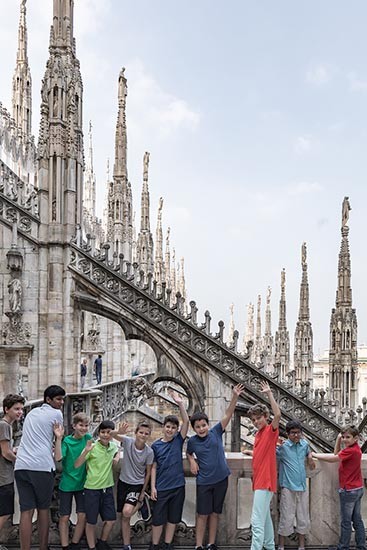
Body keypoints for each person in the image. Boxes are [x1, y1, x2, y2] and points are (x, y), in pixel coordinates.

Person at [187, 383, 244, 550]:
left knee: (215, 513)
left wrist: (235, 396)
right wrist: (191, 460)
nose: (201, 428)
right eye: (198, 427)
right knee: (202, 515)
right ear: (194, 429)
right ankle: (199, 545)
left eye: (203, 425)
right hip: (204, 482)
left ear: (207, 424)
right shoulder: (192, 441)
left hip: (221, 480)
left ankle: (211, 543)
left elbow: (228, 413)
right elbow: (189, 453)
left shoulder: (216, 431)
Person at [14, 385, 65, 550]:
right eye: (58, 399)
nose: (62, 403)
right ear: (48, 400)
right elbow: (57, 439)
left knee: (26, 511)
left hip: (21, 466)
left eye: (62, 399)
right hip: (41, 467)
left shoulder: (31, 412)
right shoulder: (56, 413)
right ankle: (43, 547)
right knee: (43, 510)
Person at [312, 426, 365, 550]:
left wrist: (315, 454)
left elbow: (333, 458)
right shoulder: (355, 448)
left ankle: (343, 547)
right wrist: (338, 440)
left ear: (356, 438)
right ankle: (361, 545)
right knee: (357, 520)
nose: (345, 440)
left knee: (346, 522)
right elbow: (337, 453)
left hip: (348, 490)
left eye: (348, 437)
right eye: (344, 437)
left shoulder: (350, 451)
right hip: (357, 488)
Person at [242, 381, 281, 550]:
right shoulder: (259, 434)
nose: (256, 421)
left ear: (266, 417)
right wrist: (252, 453)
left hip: (265, 482)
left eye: (259, 418)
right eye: (253, 419)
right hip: (260, 481)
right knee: (264, 519)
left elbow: (278, 415)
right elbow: (263, 453)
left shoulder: (270, 431)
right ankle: (270, 547)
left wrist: (269, 393)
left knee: (256, 521)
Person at [150, 391, 189, 550]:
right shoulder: (155, 445)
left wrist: (180, 403)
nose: (170, 430)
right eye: (168, 427)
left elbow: (186, 422)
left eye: (173, 428)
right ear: (163, 427)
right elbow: (153, 466)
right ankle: (154, 545)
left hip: (178, 486)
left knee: (173, 518)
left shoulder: (178, 441)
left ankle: (167, 544)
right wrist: (152, 487)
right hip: (161, 487)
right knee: (158, 519)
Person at [75, 420, 119, 550]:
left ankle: (102, 542)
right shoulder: (92, 447)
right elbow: (77, 464)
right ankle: (92, 547)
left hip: (107, 489)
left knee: (110, 520)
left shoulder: (113, 447)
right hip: (91, 489)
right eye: (103, 432)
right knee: (91, 521)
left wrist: (117, 457)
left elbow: (117, 452)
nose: (105, 435)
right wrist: (86, 451)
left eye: (108, 432)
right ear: (99, 433)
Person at [113, 420, 154, 550]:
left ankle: (140, 504)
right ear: (136, 433)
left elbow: (148, 473)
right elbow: (111, 434)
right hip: (123, 482)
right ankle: (127, 545)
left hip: (136, 484)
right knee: (124, 517)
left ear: (149, 436)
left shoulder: (149, 452)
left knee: (127, 512)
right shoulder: (128, 441)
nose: (143, 435)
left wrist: (142, 492)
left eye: (146, 433)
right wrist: (118, 432)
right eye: (141, 432)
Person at [276, 420, 315, 550]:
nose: (296, 435)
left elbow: (308, 450)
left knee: (303, 516)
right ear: (288, 434)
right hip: (287, 487)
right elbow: (267, 453)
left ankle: (302, 546)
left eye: (298, 433)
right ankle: (281, 545)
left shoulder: (304, 445)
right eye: (293, 433)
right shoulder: (283, 447)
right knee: (286, 516)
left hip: (302, 486)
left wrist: (309, 457)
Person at [58, 412, 92, 550]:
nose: (84, 428)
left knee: (82, 515)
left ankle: (75, 544)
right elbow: (58, 458)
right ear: (74, 426)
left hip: (83, 483)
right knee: (64, 517)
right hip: (67, 483)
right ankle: (64, 546)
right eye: (81, 425)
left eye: (86, 425)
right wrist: (59, 438)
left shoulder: (88, 438)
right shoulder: (67, 441)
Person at [0, 394, 25, 549]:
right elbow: (5, 452)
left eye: (21, 409)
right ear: (6, 409)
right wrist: (20, 460)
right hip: (3, 476)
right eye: (16, 409)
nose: (20, 412)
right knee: (5, 512)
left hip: (4, 474)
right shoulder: (4, 425)